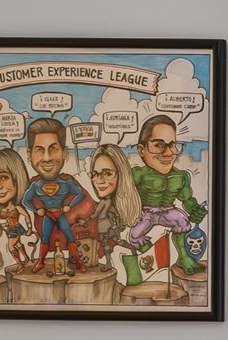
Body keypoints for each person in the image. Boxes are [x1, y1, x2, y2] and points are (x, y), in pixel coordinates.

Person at [130, 114, 209, 272]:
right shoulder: (137, 174)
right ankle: (148, 264)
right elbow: (123, 195)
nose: (168, 153)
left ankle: (184, 257)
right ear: (141, 150)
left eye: (172, 145)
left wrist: (194, 210)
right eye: (158, 145)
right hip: (145, 213)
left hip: (168, 210)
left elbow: (187, 200)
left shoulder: (180, 176)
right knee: (134, 235)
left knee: (182, 220)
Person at [21, 117, 89, 263]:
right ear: (29, 155)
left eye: (53, 149)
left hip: (60, 214)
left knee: (69, 236)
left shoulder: (67, 182)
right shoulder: (35, 185)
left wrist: (68, 206)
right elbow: (24, 200)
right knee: (45, 239)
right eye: (39, 150)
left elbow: (80, 194)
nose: (47, 158)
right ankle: (40, 262)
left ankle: (78, 261)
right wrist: (35, 209)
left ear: (64, 153)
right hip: (48, 216)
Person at [0, 145, 35, 276]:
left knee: (11, 247)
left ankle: (20, 264)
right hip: (10, 230)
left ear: (18, 178)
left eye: (4, 177)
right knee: (18, 244)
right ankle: (26, 258)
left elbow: (26, 216)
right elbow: (2, 217)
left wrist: (30, 228)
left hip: (15, 229)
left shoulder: (18, 207)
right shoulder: (4, 209)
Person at [81, 147, 141, 269]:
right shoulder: (103, 202)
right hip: (102, 225)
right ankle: (114, 260)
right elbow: (97, 214)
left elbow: (103, 214)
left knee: (111, 242)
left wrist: (116, 224)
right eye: (95, 174)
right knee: (108, 243)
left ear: (121, 174)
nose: (99, 181)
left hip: (106, 226)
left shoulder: (120, 205)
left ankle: (132, 251)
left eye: (108, 174)